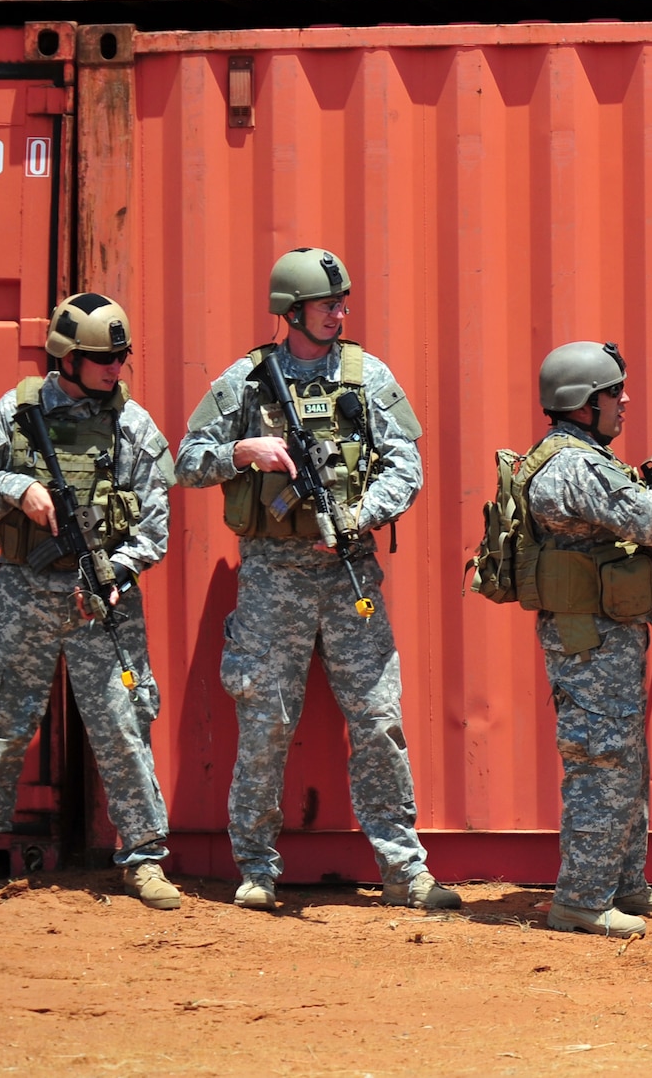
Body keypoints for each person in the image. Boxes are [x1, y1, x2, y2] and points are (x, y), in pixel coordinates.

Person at [175, 248, 456, 913]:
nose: (341, 312)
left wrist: (364, 511)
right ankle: (256, 869)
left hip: (348, 568)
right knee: (266, 723)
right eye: (329, 303)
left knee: (378, 718)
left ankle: (404, 869)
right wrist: (242, 451)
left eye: (342, 302)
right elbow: (184, 462)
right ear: (292, 311)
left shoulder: (365, 376)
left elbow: (406, 465)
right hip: (273, 578)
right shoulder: (247, 382)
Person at [0, 293, 180, 909]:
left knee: (124, 724)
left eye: (122, 358)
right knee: (2, 721)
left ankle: (145, 858)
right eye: (103, 358)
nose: (115, 369)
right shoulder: (19, 412)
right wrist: (17, 487)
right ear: (67, 358)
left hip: (101, 599)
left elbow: (155, 530)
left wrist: (112, 572)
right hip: (23, 590)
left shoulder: (133, 426)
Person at [519, 342, 652, 938]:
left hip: (601, 635)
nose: (624, 401)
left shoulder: (582, 457)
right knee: (602, 759)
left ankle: (624, 885)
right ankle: (581, 899)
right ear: (581, 402)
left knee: (624, 757)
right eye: (612, 392)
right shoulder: (577, 465)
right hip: (588, 639)